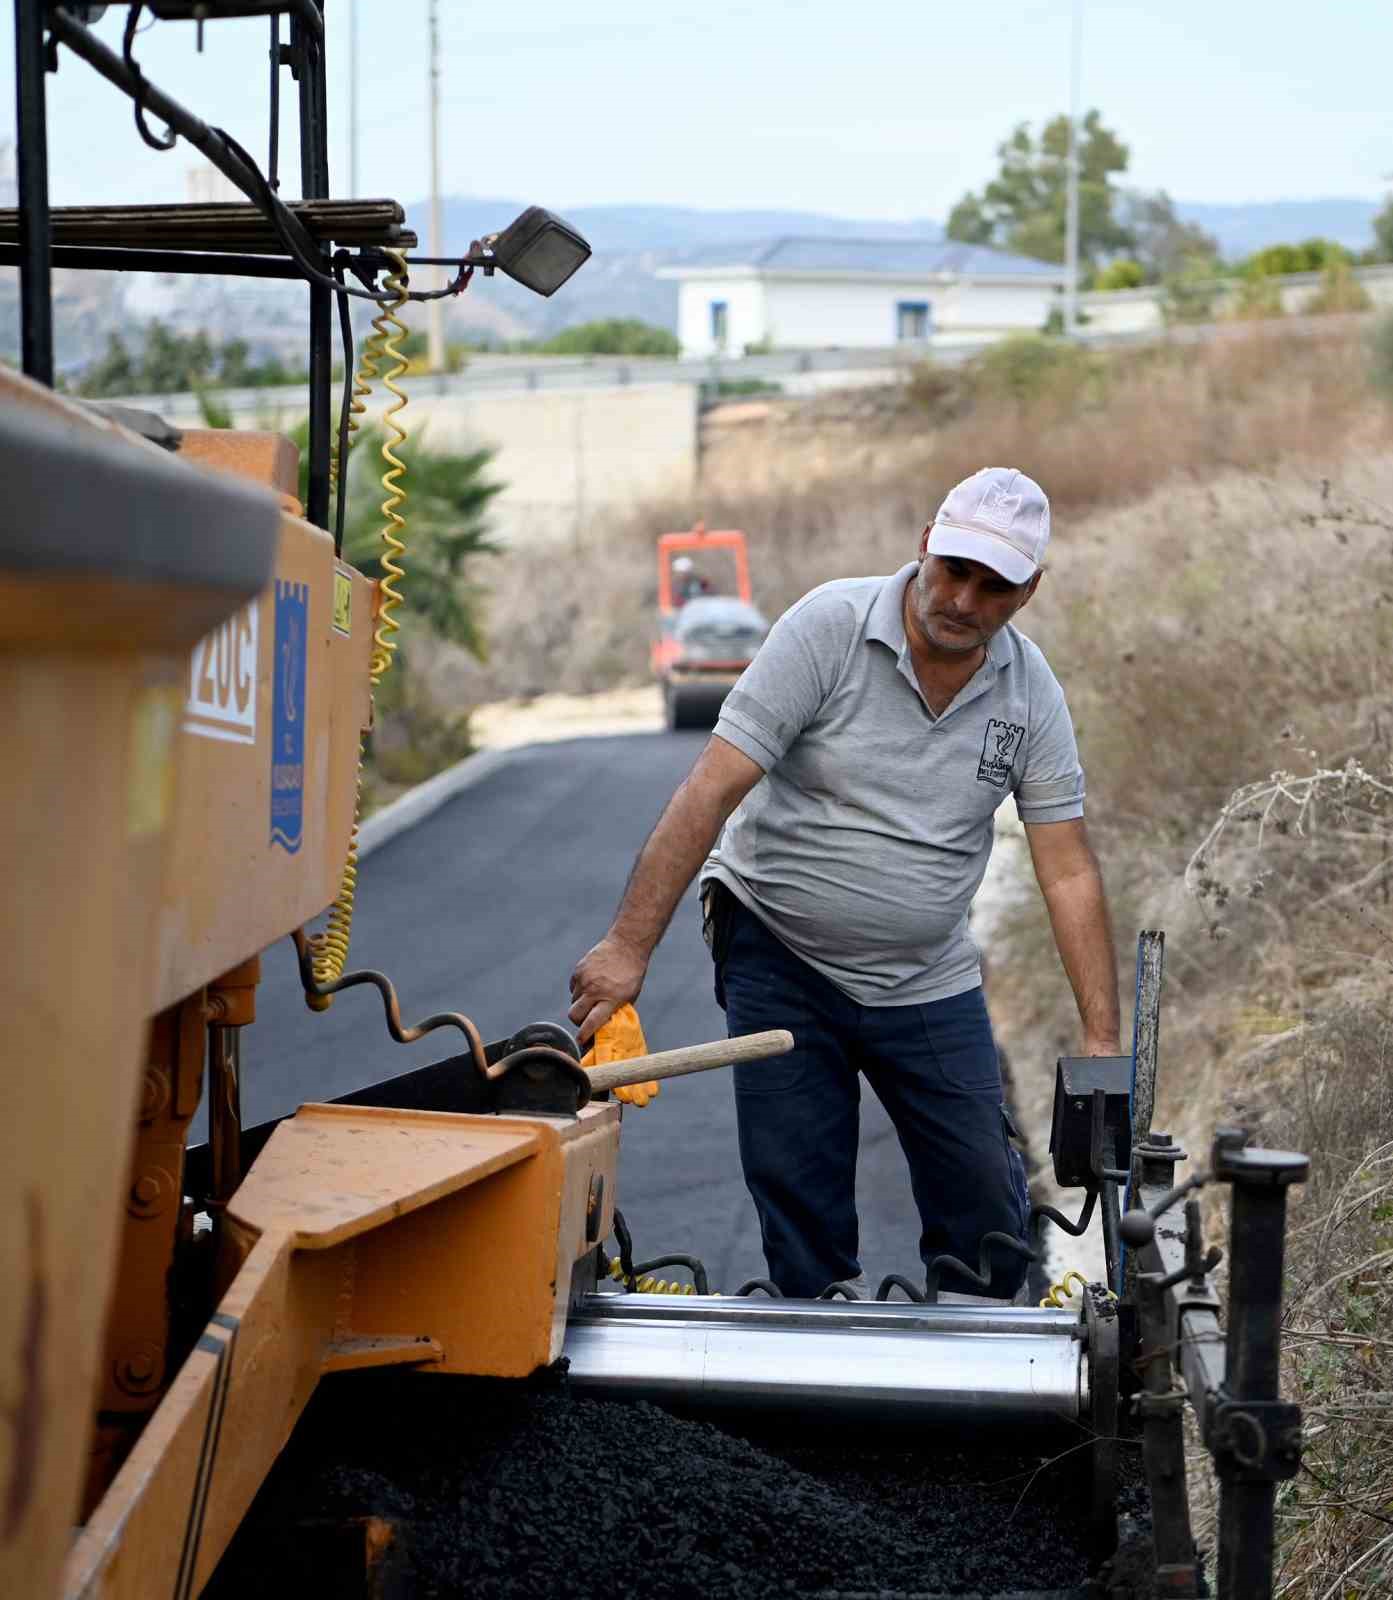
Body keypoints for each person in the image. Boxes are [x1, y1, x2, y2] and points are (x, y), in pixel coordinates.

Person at [569, 467, 1119, 1301]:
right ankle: (816, 1364)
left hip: (925, 974)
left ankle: (977, 1390)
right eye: (953, 570)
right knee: (802, 1200)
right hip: (778, 949)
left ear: (1027, 591)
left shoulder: (1029, 693)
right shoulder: (828, 628)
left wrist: (1103, 1045)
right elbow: (711, 789)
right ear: (925, 546)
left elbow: (1068, 867)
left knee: (987, 1213)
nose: (963, 600)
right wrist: (625, 948)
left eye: (993, 586)